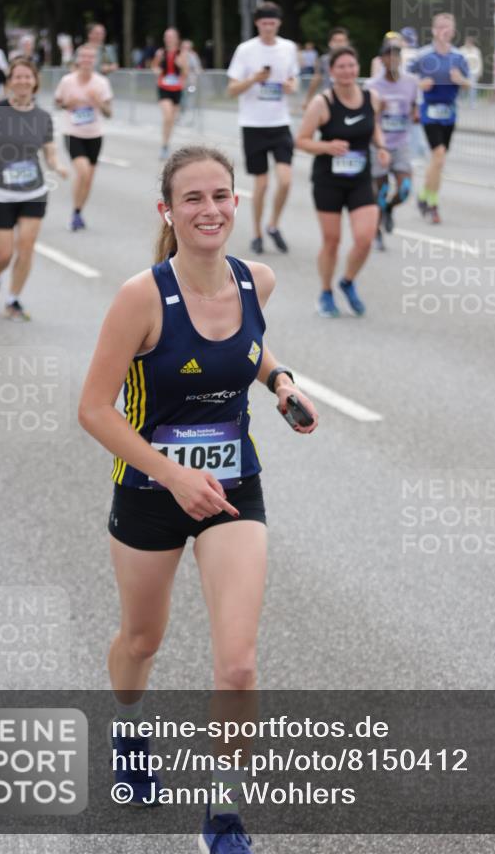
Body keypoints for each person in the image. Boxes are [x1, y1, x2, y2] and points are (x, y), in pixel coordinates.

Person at [78, 144, 318, 853]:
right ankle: (127, 729)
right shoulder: (140, 298)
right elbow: (94, 410)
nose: (209, 210)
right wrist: (173, 474)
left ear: (235, 203)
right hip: (151, 492)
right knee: (143, 640)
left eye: (221, 196)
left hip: (233, 487)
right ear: (168, 211)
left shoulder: (257, 281)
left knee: (238, 662)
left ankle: (222, 813)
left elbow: (250, 351)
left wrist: (281, 385)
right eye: (193, 199)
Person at [296, 46, 389, 317]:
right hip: (328, 181)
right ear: (331, 71)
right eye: (341, 67)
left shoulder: (372, 97)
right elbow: (301, 140)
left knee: (365, 238)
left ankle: (347, 281)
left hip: (360, 179)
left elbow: (374, 127)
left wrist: (381, 147)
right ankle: (325, 292)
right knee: (332, 241)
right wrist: (327, 146)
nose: (347, 71)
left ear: (357, 68)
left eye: (351, 66)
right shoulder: (322, 103)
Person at [0, 59, 68, 320]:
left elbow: (49, 152)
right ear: (9, 82)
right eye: (18, 77)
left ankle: (13, 300)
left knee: (26, 247)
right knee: (4, 253)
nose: (23, 81)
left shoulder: (43, 117)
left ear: (35, 82)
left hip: (32, 191)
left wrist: (57, 165)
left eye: (28, 77)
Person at [227, 2, 300, 254]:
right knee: (261, 184)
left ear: (278, 24)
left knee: (286, 180)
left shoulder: (288, 48)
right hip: (253, 124)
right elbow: (231, 89)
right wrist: (253, 79)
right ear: (257, 23)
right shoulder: (246, 50)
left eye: (272, 23)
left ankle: (273, 224)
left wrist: (291, 86)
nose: (268, 27)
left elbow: (293, 78)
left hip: (280, 122)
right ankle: (257, 232)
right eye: (264, 23)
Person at [408, 12, 469, 225]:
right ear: (434, 30)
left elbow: (469, 84)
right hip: (429, 111)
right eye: (441, 27)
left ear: (453, 31)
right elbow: (406, 79)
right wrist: (419, 84)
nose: (445, 31)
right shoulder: (423, 55)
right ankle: (433, 204)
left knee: (438, 162)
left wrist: (460, 80)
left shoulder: (458, 57)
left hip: (450, 113)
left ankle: (424, 196)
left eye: (448, 27)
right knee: (439, 156)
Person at [54, 44, 114, 231]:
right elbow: (57, 103)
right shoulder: (67, 81)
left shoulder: (101, 83)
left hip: (94, 134)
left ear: (94, 60)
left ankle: (77, 211)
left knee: (88, 179)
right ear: (78, 59)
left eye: (91, 57)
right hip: (73, 133)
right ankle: (76, 212)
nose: (87, 60)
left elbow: (108, 113)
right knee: (83, 171)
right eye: (84, 57)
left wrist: (97, 102)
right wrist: (67, 103)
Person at [367, 36, 419, 248]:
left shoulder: (411, 82)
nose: (393, 60)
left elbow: (415, 106)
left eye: (397, 55)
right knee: (379, 191)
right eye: (388, 56)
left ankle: (389, 208)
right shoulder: (372, 86)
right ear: (382, 60)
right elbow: (367, 117)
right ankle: (376, 230)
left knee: (405, 188)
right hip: (379, 145)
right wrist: (379, 109)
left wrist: (416, 115)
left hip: (401, 143)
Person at [152, 27, 188, 160]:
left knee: (171, 120)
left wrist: (181, 65)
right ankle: (164, 145)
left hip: (177, 90)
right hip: (164, 88)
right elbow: (154, 66)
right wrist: (156, 70)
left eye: (171, 36)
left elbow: (186, 73)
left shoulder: (182, 54)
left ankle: (166, 144)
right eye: (167, 36)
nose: (169, 39)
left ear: (177, 39)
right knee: (167, 117)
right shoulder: (161, 53)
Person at [302, 27, 350, 108]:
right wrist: (308, 99)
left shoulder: (351, 61)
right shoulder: (324, 60)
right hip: (329, 99)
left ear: (347, 43)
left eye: (342, 41)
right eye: (336, 41)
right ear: (330, 43)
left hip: (346, 99)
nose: (339, 44)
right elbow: (316, 78)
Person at [461, 36, 483, 107]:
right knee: (463, 87)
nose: (468, 44)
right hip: (463, 71)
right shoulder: (461, 50)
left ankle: (472, 103)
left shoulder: (476, 51)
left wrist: (480, 72)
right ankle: (462, 101)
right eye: (467, 42)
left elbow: (479, 62)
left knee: (473, 88)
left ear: (472, 43)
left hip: (473, 71)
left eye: (470, 42)